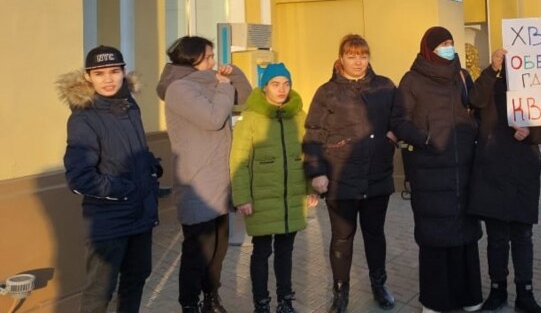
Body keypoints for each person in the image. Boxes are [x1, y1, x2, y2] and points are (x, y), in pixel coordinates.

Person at [303, 34, 411, 313]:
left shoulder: (385, 86)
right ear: (341, 58)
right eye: (352, 56)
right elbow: (314, 133)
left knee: (375, 234)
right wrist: (316, 172)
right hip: (340, 178)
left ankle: (379, 284)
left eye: (363, 55)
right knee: (342, 237)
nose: (358, 61)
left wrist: (394, 133)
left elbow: (401, 116)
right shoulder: (327, 92)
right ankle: (340, 293)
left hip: (377, 175)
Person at [61, 46, 161, 313]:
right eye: (100, 73)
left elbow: (130, 151)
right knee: (99, 293)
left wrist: (150, 167)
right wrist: (124, 189)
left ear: (123, 72)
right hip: (109, 221)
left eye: (114, 72)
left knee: (136, 279)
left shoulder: (130, 106)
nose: (108, 79)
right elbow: (79, 178)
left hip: (140, 215)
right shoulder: (84, 118)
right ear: (88, 77)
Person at [158, 36, 252, 313]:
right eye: (209, 57)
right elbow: (212, 119)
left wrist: (233, 74)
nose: (213, 62)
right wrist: (223, 87)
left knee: (219, 248)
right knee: (198, 251)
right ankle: (190, 304)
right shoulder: (178, 89)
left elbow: (245, 100)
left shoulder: (211, 80)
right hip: (197, 181)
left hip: (221, 177)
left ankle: (211, 298)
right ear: (192, 59)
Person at [398, 26, 483, 313]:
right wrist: (426, 139)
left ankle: (469, 296)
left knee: (465, 236)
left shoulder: (461, 76)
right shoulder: (412, 80)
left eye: (450, 42)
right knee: (435, 237)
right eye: (442, 44)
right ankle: (434, 301)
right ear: (428, 48)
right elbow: (399, 121)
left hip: (463, 170)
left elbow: (477, 106)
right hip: (430, 170)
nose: (448, 47)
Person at [231, 63, 317, 313]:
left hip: (291, 197)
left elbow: (309, 153)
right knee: (261, 252)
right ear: (265, 87)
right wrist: (242, 198)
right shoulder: (250, 118)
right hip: (261, 198)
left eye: (286, 83)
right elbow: (238, 160)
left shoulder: (299, 116)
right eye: (275, 84)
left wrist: (311, 187)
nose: (282, 89)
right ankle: (262, 303)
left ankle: (285, 301)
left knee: (285, 252)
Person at [467, 48, 541, 313]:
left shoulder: (538, 88)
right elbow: (474, 99)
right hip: (492, 170)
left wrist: (532, 133)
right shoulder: (491, 83)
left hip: (524, 171)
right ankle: (497, 289)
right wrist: (492, 69)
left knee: (523, 236)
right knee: (496, 238)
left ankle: (525, 292)